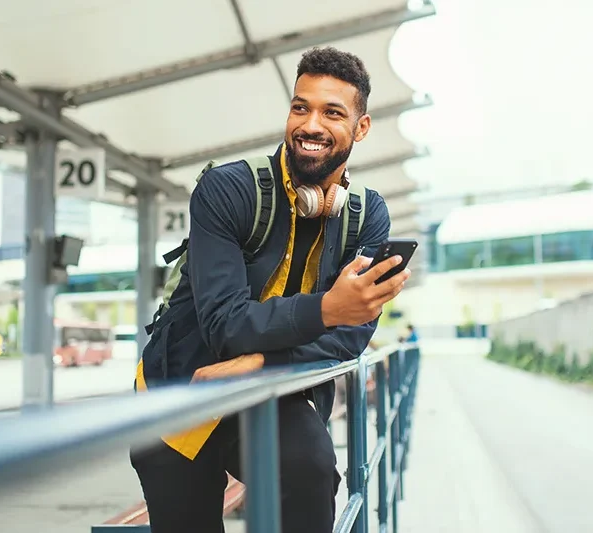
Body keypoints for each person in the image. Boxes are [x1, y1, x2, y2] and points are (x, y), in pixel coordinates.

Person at [130, 46, 411, 533]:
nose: (311, 125)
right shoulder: (227, 191)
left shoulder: (367, 215)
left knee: (314, 473)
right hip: (184, 391)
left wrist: (264, 362)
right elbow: (225, 327)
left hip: (271, 387)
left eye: (332, 112)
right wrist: (328, 308)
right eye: (300, 107)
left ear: (361, 128)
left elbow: (352, 334)